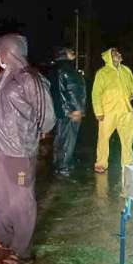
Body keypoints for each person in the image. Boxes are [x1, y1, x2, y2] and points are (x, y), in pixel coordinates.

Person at [0, 33, 55, 264]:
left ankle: (22, 252)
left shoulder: (30, 79)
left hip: (18, 151)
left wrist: (31, 136)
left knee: (21, 202)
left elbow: (48, 118)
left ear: (10, 51)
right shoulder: (3, 77)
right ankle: (3, 238)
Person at [91, 47, 133, 174]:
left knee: (128, 138)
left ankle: (127, 162)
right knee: (103, 138)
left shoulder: (126, 70)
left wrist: (131, 93)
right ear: (109, 57)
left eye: (118, 53)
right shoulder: (102, 73)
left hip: (126, 110)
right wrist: (98, 112)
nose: (119, 54)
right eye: (115, 53)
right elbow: (96, 93)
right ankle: (101, 163)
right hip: (108, 112)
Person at [48, 47, 87, 177]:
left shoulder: (58, 69)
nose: (73, 53)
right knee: (68, 140)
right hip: (69, 111)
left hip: (63, 111)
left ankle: (58, 164)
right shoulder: (66, 69)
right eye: (70, 51)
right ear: (63, 54)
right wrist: (75, 110)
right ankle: (64, 166)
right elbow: (71, 91)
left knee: (60, 138)